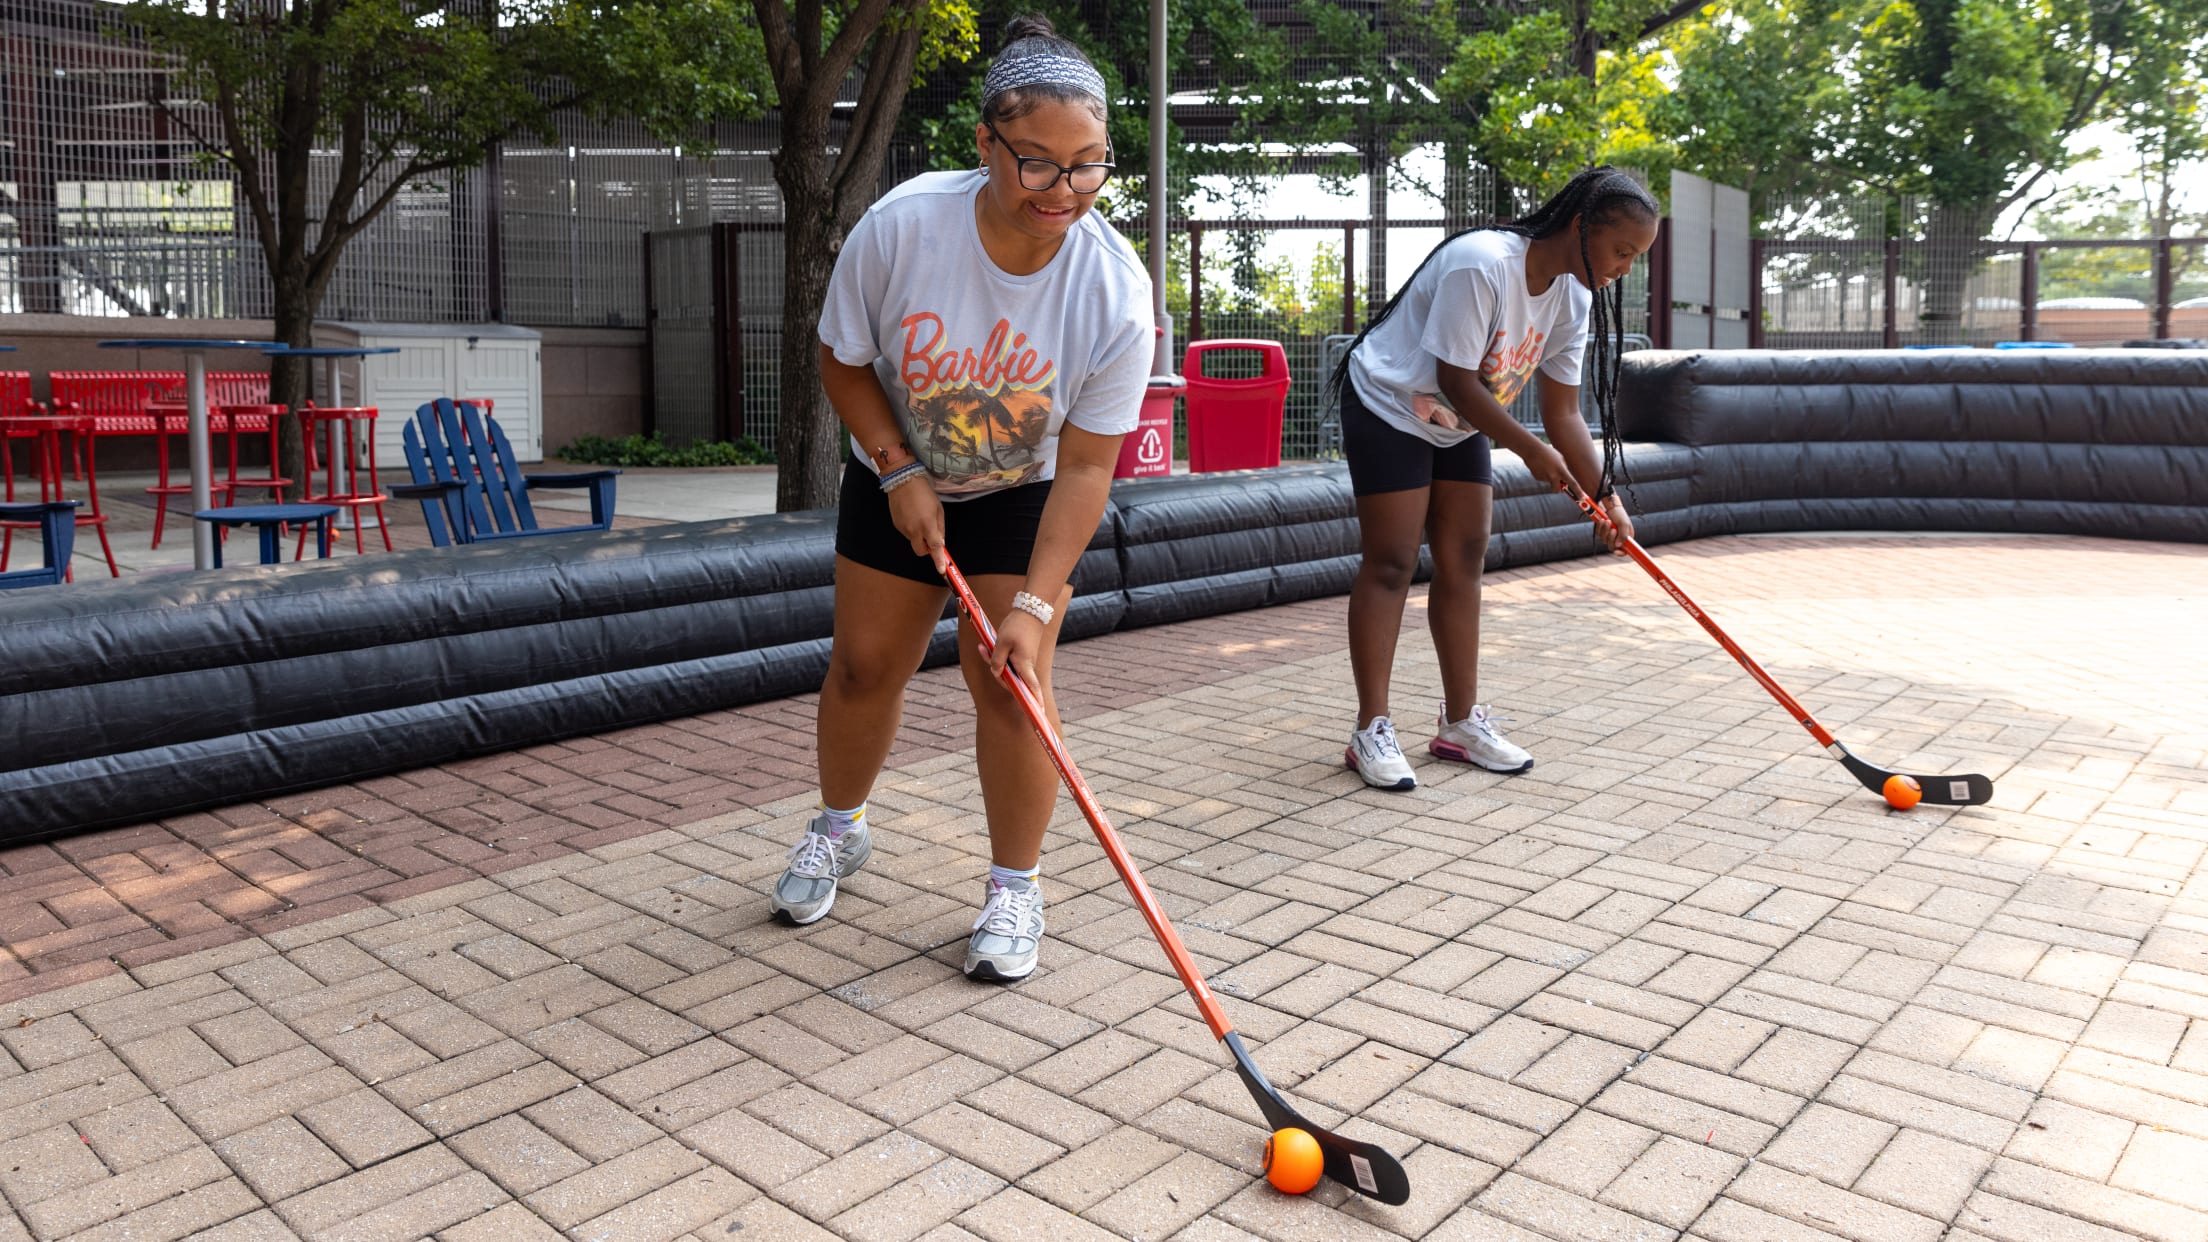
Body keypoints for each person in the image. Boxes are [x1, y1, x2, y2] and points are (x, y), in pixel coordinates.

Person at [768, 15, 1152, 984]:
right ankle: (839, 826)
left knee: (1013, 686)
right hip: (897, 468)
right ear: (986, 146)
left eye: (1088, 167)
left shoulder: (1114, 291)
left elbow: (1089, 469)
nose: (1063, 193)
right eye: (1036, 165)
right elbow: (841, 360)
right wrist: (897, 470)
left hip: (1023, 490)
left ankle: (1015, 887)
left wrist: (1032, 605)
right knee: (863, 668)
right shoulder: (904, 230)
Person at [1332, 166, 1659, 791]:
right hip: (1391, 404)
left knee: (1464, 555)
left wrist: (1607, 496)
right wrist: (1529, 451)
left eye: (1636, 258)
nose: (1625, 268)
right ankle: (1370, 727)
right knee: (1394, 560)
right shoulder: (1482, 264)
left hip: (1460, 419)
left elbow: (1564, 414)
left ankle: (1458, 723)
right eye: (1621, 251)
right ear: (1580, 226)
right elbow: (1456, 380)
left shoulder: (1575, 298)